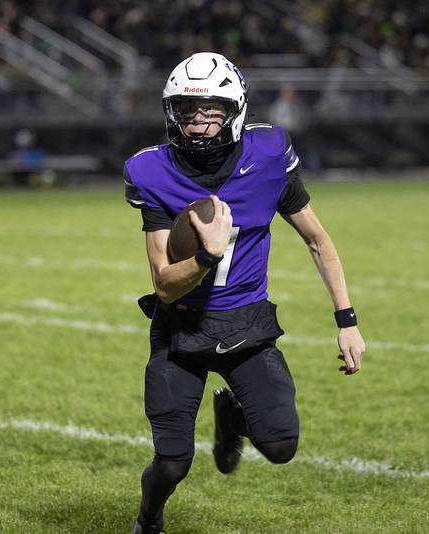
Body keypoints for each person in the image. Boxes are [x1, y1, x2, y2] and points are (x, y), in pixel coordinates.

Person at [124, 52, 366, 534]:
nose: (197, 123)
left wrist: (347, 321)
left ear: (234, 110)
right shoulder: (151, 170)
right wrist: (206, 257)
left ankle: (233, 416)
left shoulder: (269, 155)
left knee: (281, 445)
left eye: (210, 111)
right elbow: (163, 284)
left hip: (246, 326)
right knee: (171, 463)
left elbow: (318, 241)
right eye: (187, 111)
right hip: (180, 332)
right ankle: (148, 520)